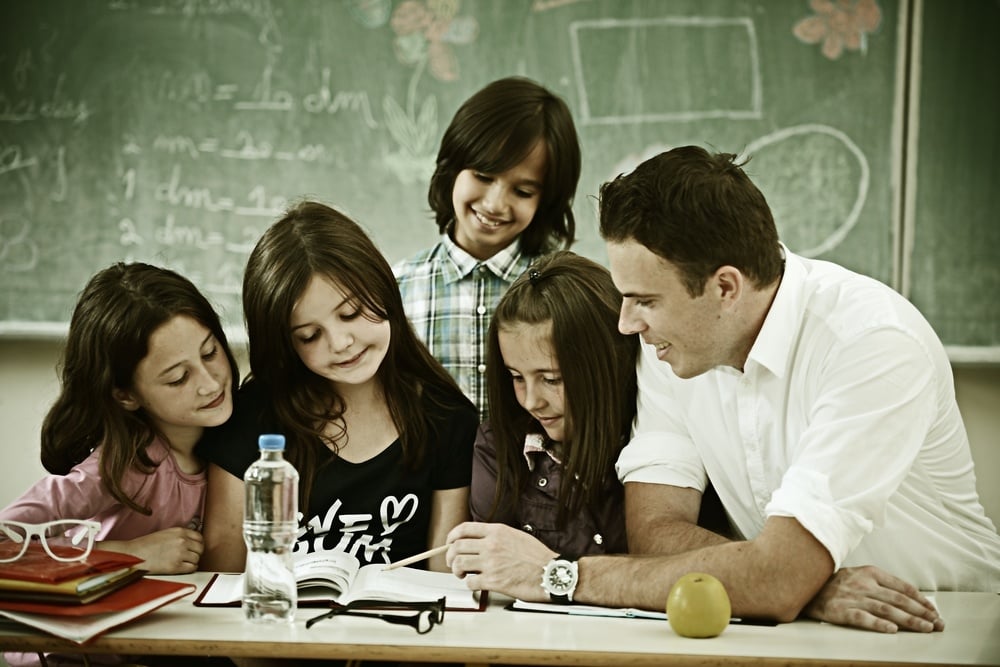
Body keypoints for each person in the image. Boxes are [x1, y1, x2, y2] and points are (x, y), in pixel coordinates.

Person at [446, 146, 1000, 633]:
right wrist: (796, 583)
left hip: (943, 625)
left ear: (725, 288)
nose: (625, 324)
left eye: (645, 300)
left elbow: (779, 580)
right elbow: (656, 531)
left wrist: (556, 575)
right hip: (791, 631)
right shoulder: (667, 349)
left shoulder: (871, 342)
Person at [199, 201, 478, 575]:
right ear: (286, 344)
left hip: (403, 630)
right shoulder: (252, 417)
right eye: (310, 335)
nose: (341, 342)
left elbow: (444, 574)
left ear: (382, 288)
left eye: (350, 313)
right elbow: (223, 573)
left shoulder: (446, 417)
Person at [1, 262, 238, 667]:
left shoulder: (238, 443)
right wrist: (131, 555)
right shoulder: (123, 465)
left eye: (210, 353)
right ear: (126, 395)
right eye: (179, 377)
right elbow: (5, 548)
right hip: (67, 656)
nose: (210, 383)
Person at [394, 76, 581, 420]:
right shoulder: (395, 291)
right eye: (482, 175)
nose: (495, 204)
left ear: (547, 200)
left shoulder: (573, 293)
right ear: (452, 168)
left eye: (522, 192)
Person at [467, 250, 637, 559]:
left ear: (607, 364)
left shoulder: (652, 440)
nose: (531, 401)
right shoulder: (498, 447)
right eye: (516, 377)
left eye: (552, 379)